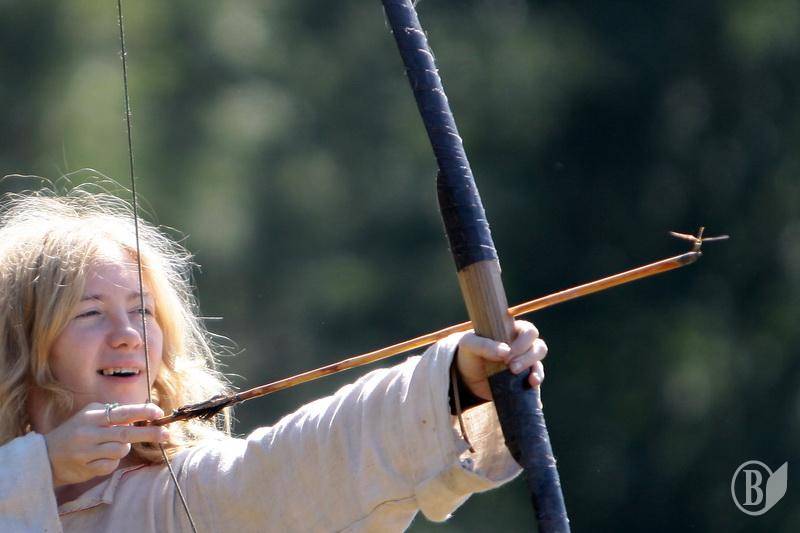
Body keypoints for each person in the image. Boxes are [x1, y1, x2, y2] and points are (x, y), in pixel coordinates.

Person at [0, 185, 549, 532]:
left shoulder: (175, 499)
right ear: (22, 347)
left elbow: (298, 461)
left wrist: (457, 385)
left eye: (142, 311)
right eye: (90, 313)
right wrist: (40, 467)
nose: (128, 336)